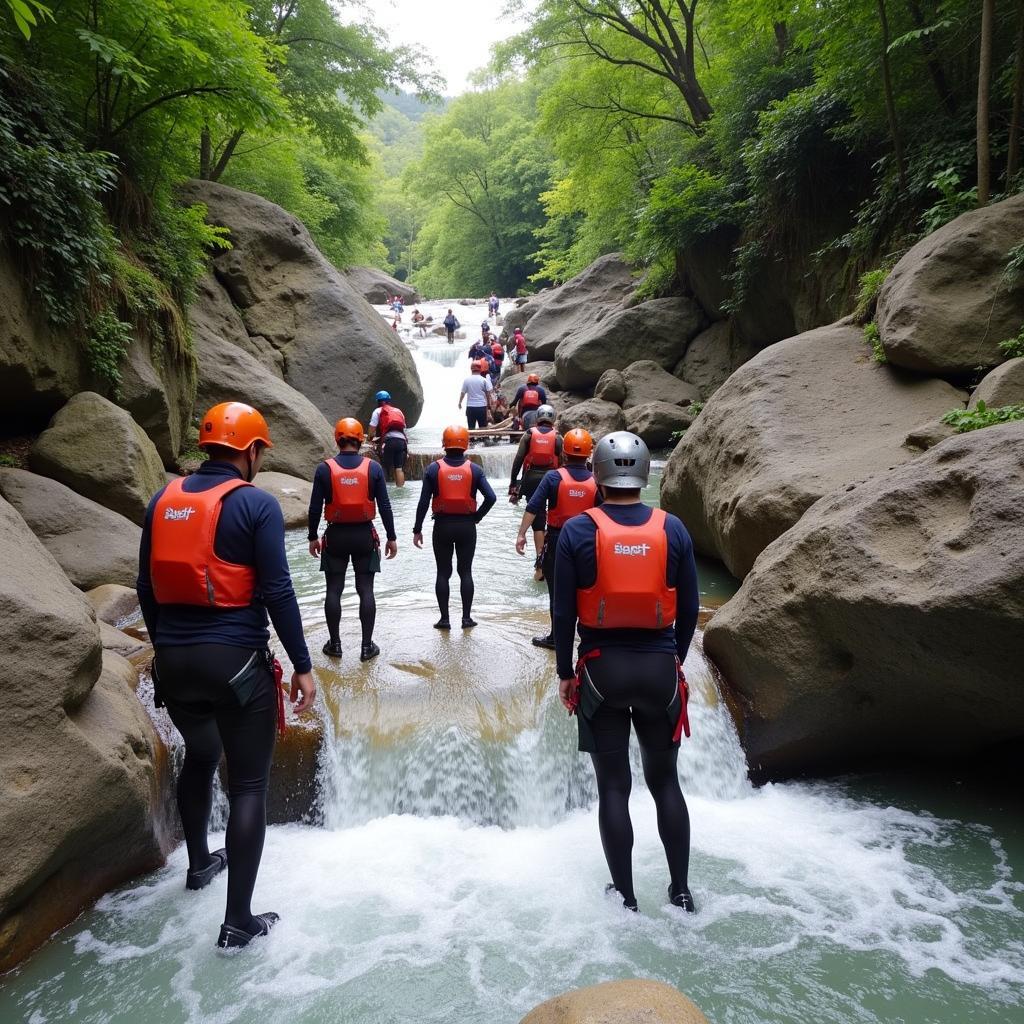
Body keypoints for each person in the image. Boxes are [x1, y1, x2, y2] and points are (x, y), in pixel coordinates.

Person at [136, 402, 316, 950]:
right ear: (250, 450)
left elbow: (146, 587)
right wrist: (303, 665)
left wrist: (167, 646)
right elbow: (277, 591)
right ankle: (238, 920)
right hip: (236, 662)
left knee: (202, 755)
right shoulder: (256, 506)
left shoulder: (160, 501)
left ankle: (197, 866)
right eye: (261, 450)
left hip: (174, 660)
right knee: (248, 784)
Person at [554, 432, 700, 915]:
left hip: (601, 674)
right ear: (643, 474)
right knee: (666, 784)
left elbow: (562, 615)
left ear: (597, 472)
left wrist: (564, 673)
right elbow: (691, 610)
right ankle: (680, 892)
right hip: (660, 671)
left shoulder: (577, 531)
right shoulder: (673, 528)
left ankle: (626, 896)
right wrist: (672, 659)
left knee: (615, 787)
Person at [308, 417, 398, 662]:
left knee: (333, 590)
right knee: (365, 590)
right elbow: (386, 506)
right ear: (361, 439)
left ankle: (335, 645)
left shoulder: (324, 469)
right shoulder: (373, 468)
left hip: (336, 536)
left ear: (337, 439)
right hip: (364, 537)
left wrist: (312, 536)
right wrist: (391, 537)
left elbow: (315, 508)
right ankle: (367, 647)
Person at [515, 428, 599, 649]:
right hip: (588, 543)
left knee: (558, 594)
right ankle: (587, 636)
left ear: (564, 454)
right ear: (589, 454)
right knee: (586, 591)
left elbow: (534, 506)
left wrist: (522, 534)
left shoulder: (554, 477)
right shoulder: (596, 481)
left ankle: (556, 637)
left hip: (558, 540)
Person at [413, 425, 496, 629]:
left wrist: (417, 529)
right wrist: (477, 517)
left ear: (444, 444)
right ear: (465, 445)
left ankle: (445, 619)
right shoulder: (475, 470)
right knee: (465, 572)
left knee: (443, 572)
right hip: (467, 526)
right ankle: (466, 619)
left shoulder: (433, 469)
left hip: (442, 525)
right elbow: (491, 497)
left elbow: (424, 502)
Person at [509, 404, 562, 566]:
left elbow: (518, 460)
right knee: (553, 513)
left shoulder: (529, 434)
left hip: (531, 479)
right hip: (553, 478)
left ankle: (540, 557)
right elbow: (562, 461)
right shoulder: (558, 437)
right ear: (552, 419)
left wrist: (513, 484)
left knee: (537, 517)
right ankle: (552, 551)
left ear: (538, 418)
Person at [368, 389, 408, 488]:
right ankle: (400, 490)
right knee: (398, 468)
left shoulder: (378, 411)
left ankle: (383, 491)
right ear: (389, 401)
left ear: (378, 401)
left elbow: (372, 429)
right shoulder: (398, 411)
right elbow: (403, 428)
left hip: (389, 441)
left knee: (384, 467)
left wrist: (370, 438)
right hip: (402, 441)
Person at [459, 358, 494, 433]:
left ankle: (472, 443)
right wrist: (489, 406)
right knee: (483, 428)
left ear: (471, 369)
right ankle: (485, 441)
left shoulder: (467, 380)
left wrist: (460, 403)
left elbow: (463, 393)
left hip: (470, 408)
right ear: (480, 369)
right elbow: (488, 394)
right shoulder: (484, 380)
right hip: (481, 407)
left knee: (471, 429)